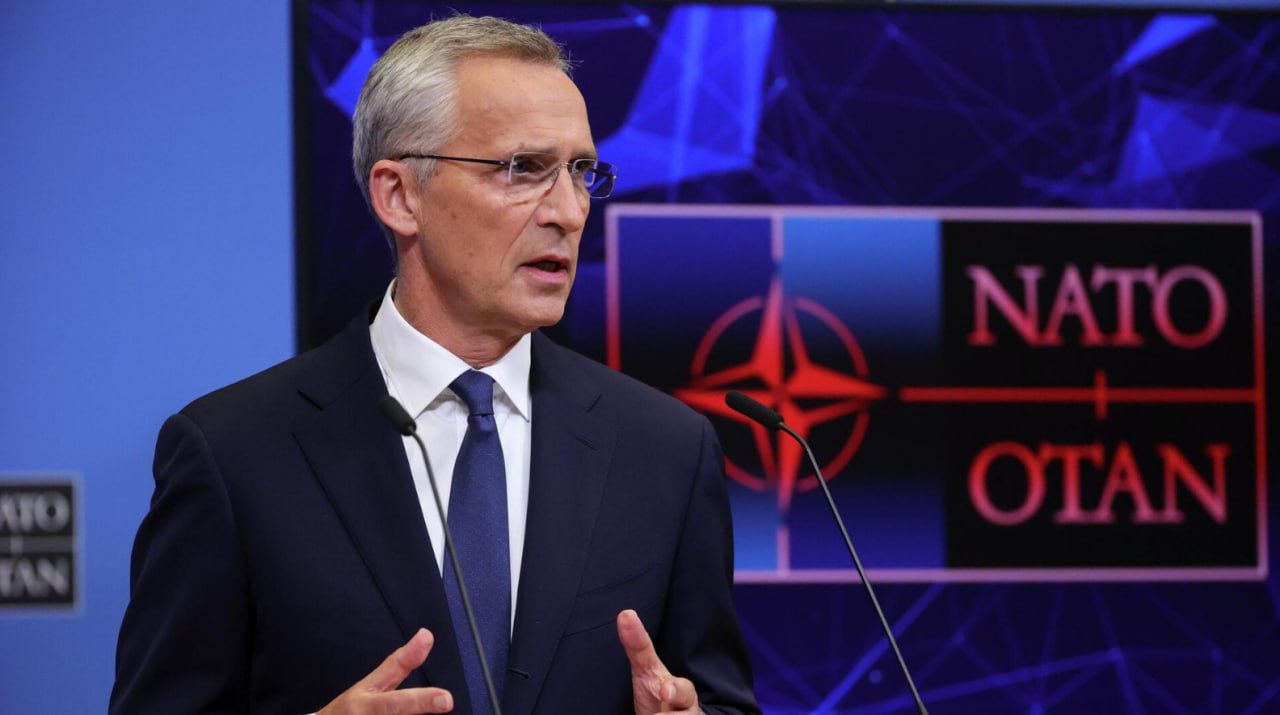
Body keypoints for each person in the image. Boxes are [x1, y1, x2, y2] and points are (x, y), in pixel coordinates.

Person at [110, 14, 759, 715]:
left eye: (580, 172)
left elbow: (718, 698)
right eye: (523, 168)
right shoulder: (233, 453)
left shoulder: (665, 448)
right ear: (400, 195)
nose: (570, 212)